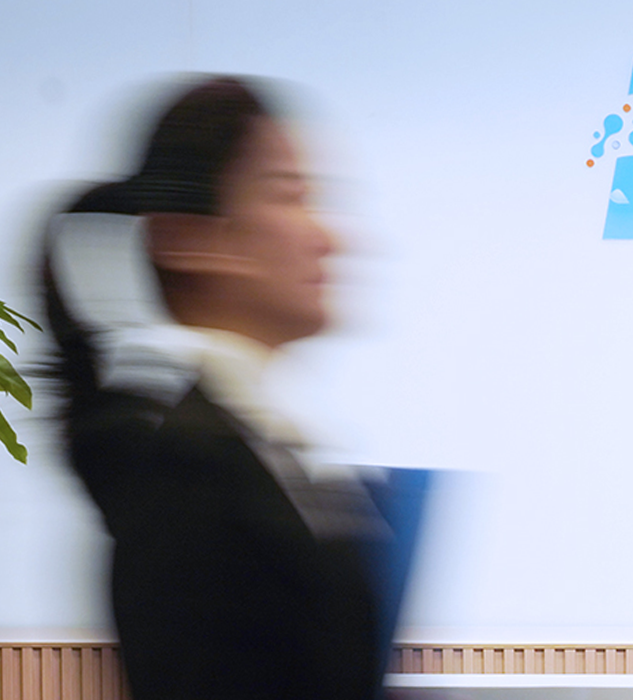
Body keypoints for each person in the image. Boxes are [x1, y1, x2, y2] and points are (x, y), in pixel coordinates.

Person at [39, 77, 393, 700]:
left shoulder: (253, 441)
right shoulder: (185, 465)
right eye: (289, 195)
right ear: (189, 238)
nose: (331, 239)